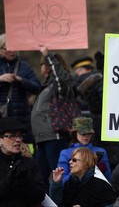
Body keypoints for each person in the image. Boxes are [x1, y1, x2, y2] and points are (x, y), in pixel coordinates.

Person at [31, 46, 75, 192]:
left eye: (43, 63)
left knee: (60, 175)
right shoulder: (47, 85)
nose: (41, 67)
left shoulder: (60, 84)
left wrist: (48, 55)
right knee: (39, 177)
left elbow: (60, 78)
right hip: (43, 138)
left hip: (54, 136)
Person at [0, 33, 41, 147]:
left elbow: (37, 87)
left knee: (25, 148)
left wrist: (21, 80)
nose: (12, 51)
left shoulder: (24, 66)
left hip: (22, 117)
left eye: (14, 48)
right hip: (2, 116)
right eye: (8, 48)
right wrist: (1, 79)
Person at [0, 117, 45, 206]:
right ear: (0, 139)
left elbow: (40, 196)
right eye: (12, 136)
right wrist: (7, 182)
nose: (18, 140)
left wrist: (26, 184)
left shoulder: (29, 163)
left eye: (20, 136)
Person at [50, 147, 117, 207]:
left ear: (86, 163)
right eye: (70, 160)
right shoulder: (71, 182)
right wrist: (56, 183)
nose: (70, 162)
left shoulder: (101, 184)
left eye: (74, 160)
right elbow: (57, 203)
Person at [57, 116, 112, 183]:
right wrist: (77, 170)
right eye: (83, 133)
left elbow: (108, 180)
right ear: (75, 133)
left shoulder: (100, 152)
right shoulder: (65, 153)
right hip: (74, 190)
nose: (86, 136)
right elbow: (63, 181)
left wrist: (103, 170)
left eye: (89, 133)